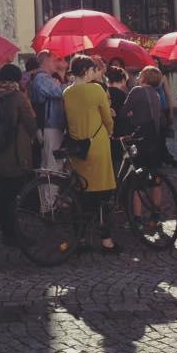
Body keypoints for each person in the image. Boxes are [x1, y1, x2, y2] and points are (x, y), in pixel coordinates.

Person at [63, 55, 120, 253]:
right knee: (103, 195)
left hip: (77, 149)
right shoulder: (96, 89)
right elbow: (107, 118)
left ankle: (81, 240)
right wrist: (111, 131)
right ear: (87, 71)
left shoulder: (67, 93)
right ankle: (106, 240)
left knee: (81, 195)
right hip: (97, 146)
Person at [0, 64, 39, 246]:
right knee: (13, 195)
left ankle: (6, 231)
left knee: (4, 194)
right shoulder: (17, 97)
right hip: (16, 151)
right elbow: (31, 124)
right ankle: (13, 234)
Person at [29, 50, 67, 182]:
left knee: (54, 165)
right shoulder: (41, 78)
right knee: (51, 167)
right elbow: (58, 92)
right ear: (46, 61)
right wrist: (74, 84)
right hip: (49, 126)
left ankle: (52, 199)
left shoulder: (47, 78)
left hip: (52, 126)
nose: (56, 63)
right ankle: (49, 201)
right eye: (55, 59)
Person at [122, 66, 167, 171]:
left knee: (138, 166)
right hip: (153, 135)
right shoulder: (155, 93)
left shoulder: (137, 90)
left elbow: (123, 111)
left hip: (139, 134)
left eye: (141, 73)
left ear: (144, 77)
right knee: (151, 169)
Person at [107, 65, 130, 170]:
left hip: (108, 129)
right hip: (120, 129)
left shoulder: (105, 92)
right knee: (119, 160)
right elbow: (127, 113)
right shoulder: (123, 95)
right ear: (122, 80)